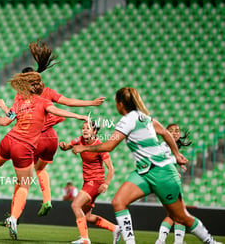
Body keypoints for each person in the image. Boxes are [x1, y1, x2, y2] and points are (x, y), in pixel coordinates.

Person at [71, 87, 222, 244]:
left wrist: (84, 147)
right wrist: (176, 154)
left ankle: (211, 242)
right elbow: (165, 132)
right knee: (118, 202)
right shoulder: (145, 118)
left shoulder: (127, 120)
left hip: (161, 171)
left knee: (180, 216)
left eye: (116, 102)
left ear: (120, 104)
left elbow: (109, 146)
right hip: (143, 172)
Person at [0, 71, 90, 240]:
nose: (41, 85)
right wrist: (79, 116)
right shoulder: (44, 101)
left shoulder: (19, 103)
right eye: (38, 83)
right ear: (34, 87)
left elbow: (6, 121)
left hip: (8, 139)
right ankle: (13, 218)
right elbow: (59, 111)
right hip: (23, 147)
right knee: (24, 184)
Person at [0, 39, 105, 217]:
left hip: (34, 139)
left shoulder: (21, 96)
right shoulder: (47, 91)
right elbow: (67, 102)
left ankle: (14, 215)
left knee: (23, 177)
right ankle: (47, 199)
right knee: (40, 169)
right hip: (52, 139)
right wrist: (90, 103)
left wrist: (2, 107)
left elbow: (12, 117)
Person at [59, 120, 121, 244]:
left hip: (96, 182)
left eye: (88, 128)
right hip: (87, 182)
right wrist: (63, 146)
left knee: (75, 205)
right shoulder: (79, 140)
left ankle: (85, 239)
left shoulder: (100, 147)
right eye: (83, 128)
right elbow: (67, 147)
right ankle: (115, 228)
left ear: (95, 131)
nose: (85, 130)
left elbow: (111, 168)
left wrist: (106, 183)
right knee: (87, 216)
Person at [156, 123, 192, 244]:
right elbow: (162, 162)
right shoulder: (164, 146)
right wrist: (174, 168)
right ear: (165, 133)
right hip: (167, 182)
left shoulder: (171, 147)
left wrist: (176, 168)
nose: (175, 133)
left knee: (173, 214)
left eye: (177, 131)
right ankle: (177, 241)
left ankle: (161, 240)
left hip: (167, 181)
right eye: (171, 131)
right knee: (181, 213)